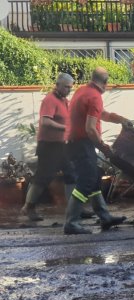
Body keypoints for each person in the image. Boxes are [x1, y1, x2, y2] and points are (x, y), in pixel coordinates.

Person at [64, 67, 132, 235]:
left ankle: (104, 216)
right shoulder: (95, 97)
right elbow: (90, 129)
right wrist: (104, 147)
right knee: (86, 182)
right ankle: (71, 223)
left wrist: (121, 120)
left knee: (93, 179)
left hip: (75, 143)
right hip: (81, 143)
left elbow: (103, 115)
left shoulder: (83, 91)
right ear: (105, 82)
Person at [21, 73, 79, 221]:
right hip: (49, 146)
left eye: (70, 87)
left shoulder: (64, 101)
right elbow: (46, 121)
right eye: (66, 87)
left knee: (71, 174)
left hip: (62, 145)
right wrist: (64, 128)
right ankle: (29, 207)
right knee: (43, 177)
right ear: (57, 85)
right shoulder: (50, 100)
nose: (68, 90)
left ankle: (74, 208)